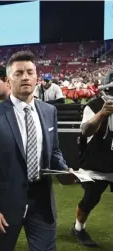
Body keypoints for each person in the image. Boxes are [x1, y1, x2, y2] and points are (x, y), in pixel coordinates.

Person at [0, 51, 75, 251]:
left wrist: (64, 170)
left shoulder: (48, 111)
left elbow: (54, 151)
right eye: (19, 73)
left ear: (37, 77)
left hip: (42, 201)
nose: (25, 77)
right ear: (9, 80)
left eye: (30, 72)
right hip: (5, 205)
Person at [71, 72, 113, 247]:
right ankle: (79, 228)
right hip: (97, 160)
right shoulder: (94, 105)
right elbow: (85, 130)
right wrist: (102, 114)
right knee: (91, 198)